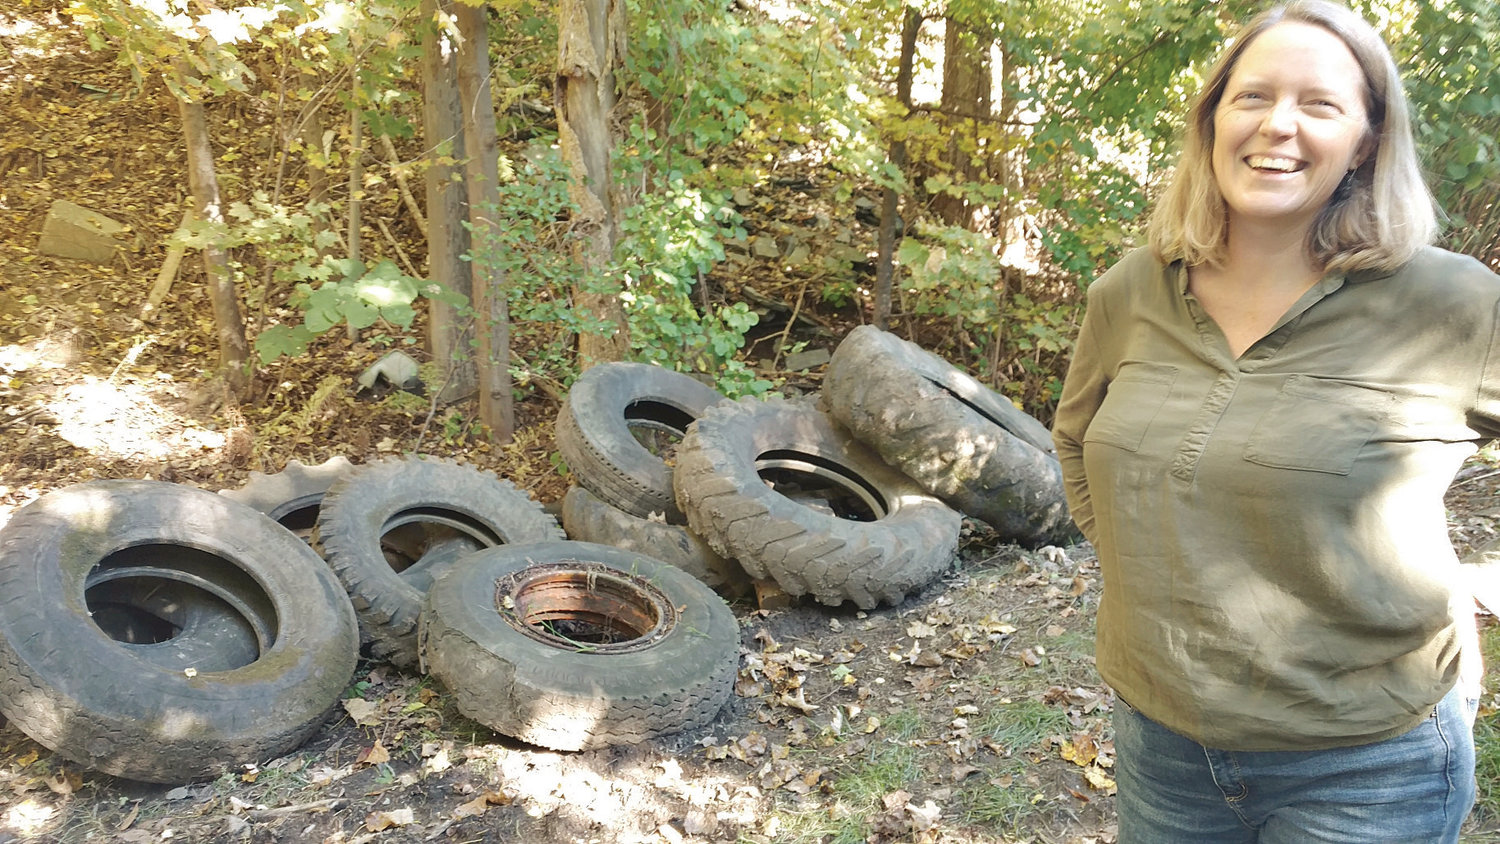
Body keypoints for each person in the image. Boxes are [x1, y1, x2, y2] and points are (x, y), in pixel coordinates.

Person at [1050, 1, 1500, 841]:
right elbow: (1077, 437)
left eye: (1320, 104)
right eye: (1252, 97)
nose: (1277, 125)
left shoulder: (1452, 302)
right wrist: (1151, 568)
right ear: (1214, 117)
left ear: (1367, 138)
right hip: (1162, 744)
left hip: (1370, 762)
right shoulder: (1131, 289)